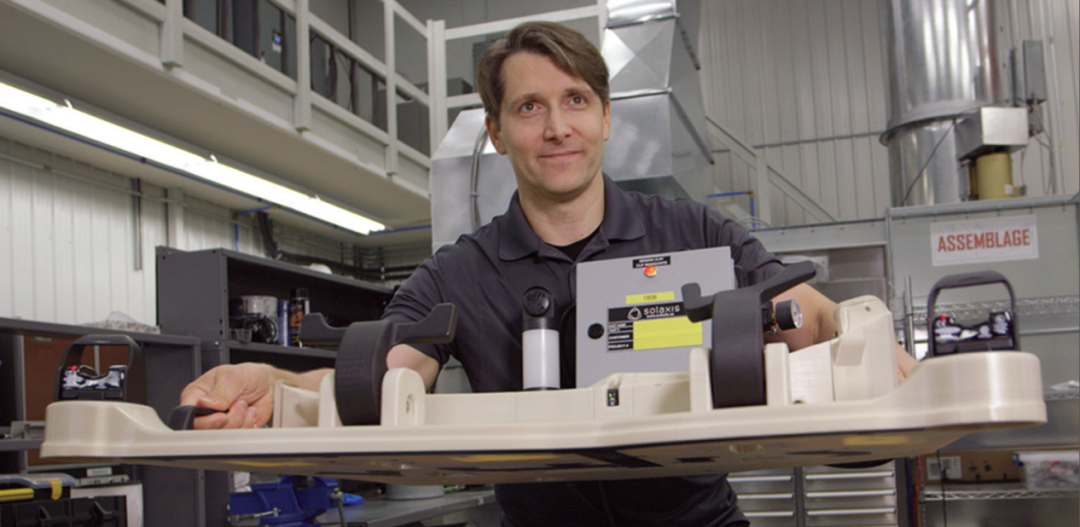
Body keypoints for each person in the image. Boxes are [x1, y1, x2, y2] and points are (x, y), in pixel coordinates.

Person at [182, 21, 917, 527]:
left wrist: (866, 339)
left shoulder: (696, 232)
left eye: (576, 101)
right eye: (530, 107)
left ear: (605, 117)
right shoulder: (459, 273)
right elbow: (383, 377)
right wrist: (274, 382)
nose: (557, 127)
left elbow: (810, 315)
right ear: (497, 132)